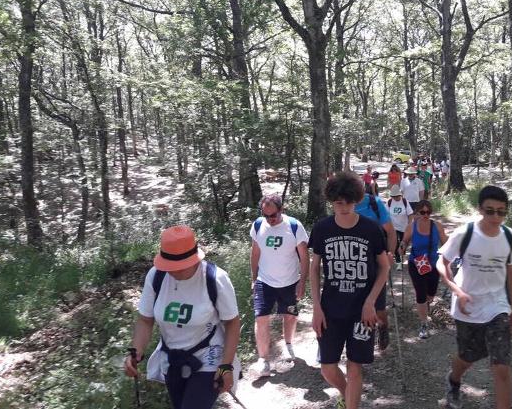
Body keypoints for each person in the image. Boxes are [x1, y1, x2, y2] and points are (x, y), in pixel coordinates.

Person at [124, 225, 240, 409]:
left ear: (194, 260)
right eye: (169, 266)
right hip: (172, 360)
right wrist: (136, 351)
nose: (173, 271)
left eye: (179, 267)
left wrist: (226, 366)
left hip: (210, 357)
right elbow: (145, 320)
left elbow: (232, 323)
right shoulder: (156, 277)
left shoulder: (215, 279)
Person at [436, 186, 512, 409]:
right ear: (480, 209)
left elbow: (509, 271)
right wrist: (457, 291)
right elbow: (442, 262)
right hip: (468, 306)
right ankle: (453, 380)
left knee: (501, 366)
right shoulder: (464, 234)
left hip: (497, 306)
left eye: (501, 212)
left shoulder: (510, 237)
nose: (495, 217)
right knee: (467, 357)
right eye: (490, 211)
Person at [309, 171, 390, 409]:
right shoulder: (322, 228)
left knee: (355, 367)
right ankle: (349, 396)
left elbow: (384, 267)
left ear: (356, 199)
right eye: (338, 203)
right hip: (330, 309)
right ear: (332, 202)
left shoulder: (371, 229)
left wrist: (370, 302)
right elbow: (315, 269)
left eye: (348, 202)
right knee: (327, 367)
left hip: (361, 313)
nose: (343, 207)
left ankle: (351, 403)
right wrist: (316, 306)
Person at [250, 194, 310, 377]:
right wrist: (253, 279)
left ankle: (289, 345)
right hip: (264, 281)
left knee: (290, 316)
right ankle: (263, 360)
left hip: (289, 281)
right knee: (261, 318)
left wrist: (302, 281)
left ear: (281, 210)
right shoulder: (258, 225)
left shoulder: (294, 226)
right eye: (265, 215)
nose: (270, 219)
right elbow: (255, 252)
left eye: (273, 215)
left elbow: (304, 256)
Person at [354, 182, 397, 351]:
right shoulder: (344, 205)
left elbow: (391, 232)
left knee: (378, 306)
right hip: (354, 262)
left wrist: (390, 253)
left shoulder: (374, 203)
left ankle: (383, 326)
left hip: (376, 262)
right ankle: (364, 341)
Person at [398, 200, 447, 338]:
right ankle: (424, 323)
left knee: (430, 294)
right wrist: (401, 246)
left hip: (433, 265)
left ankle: (426, 305)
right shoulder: (411, 227)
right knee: (421, 293)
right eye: (423, 212)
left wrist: (456, 251)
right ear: (417, 213)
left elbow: (446, 243)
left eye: (428, 212)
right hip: (416, 263)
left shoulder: (437, 226)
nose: (426, 215)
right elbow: (405, 241)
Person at [386, 185, 413, 271]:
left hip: (404, 227)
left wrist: (409, 224)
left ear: (400, 195)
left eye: (397, 196)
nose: (396, 198)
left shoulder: (405, 201)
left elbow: (410, 214)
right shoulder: (389, 202)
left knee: (403, 243)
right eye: (394, 196)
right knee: (396, 244)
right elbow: (385, 215)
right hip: (393, 227)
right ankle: (398, 262)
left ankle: (402, 256)